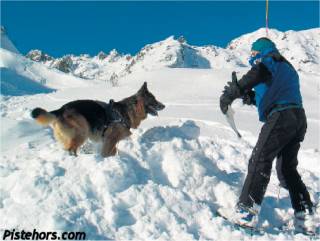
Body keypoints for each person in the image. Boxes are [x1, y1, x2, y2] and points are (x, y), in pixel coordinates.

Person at [219, 37, 315, 232]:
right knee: (287, 170)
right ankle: (305, 215)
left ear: (262, 51)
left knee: (260, 158)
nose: (252, 58)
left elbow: (259, 72)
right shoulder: (286, 67)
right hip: (297, 119)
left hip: (281, 116)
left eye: (254, 54)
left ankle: (246, 212)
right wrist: (251, 97)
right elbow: (275, 91)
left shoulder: (269, 59)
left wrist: (235, 91)